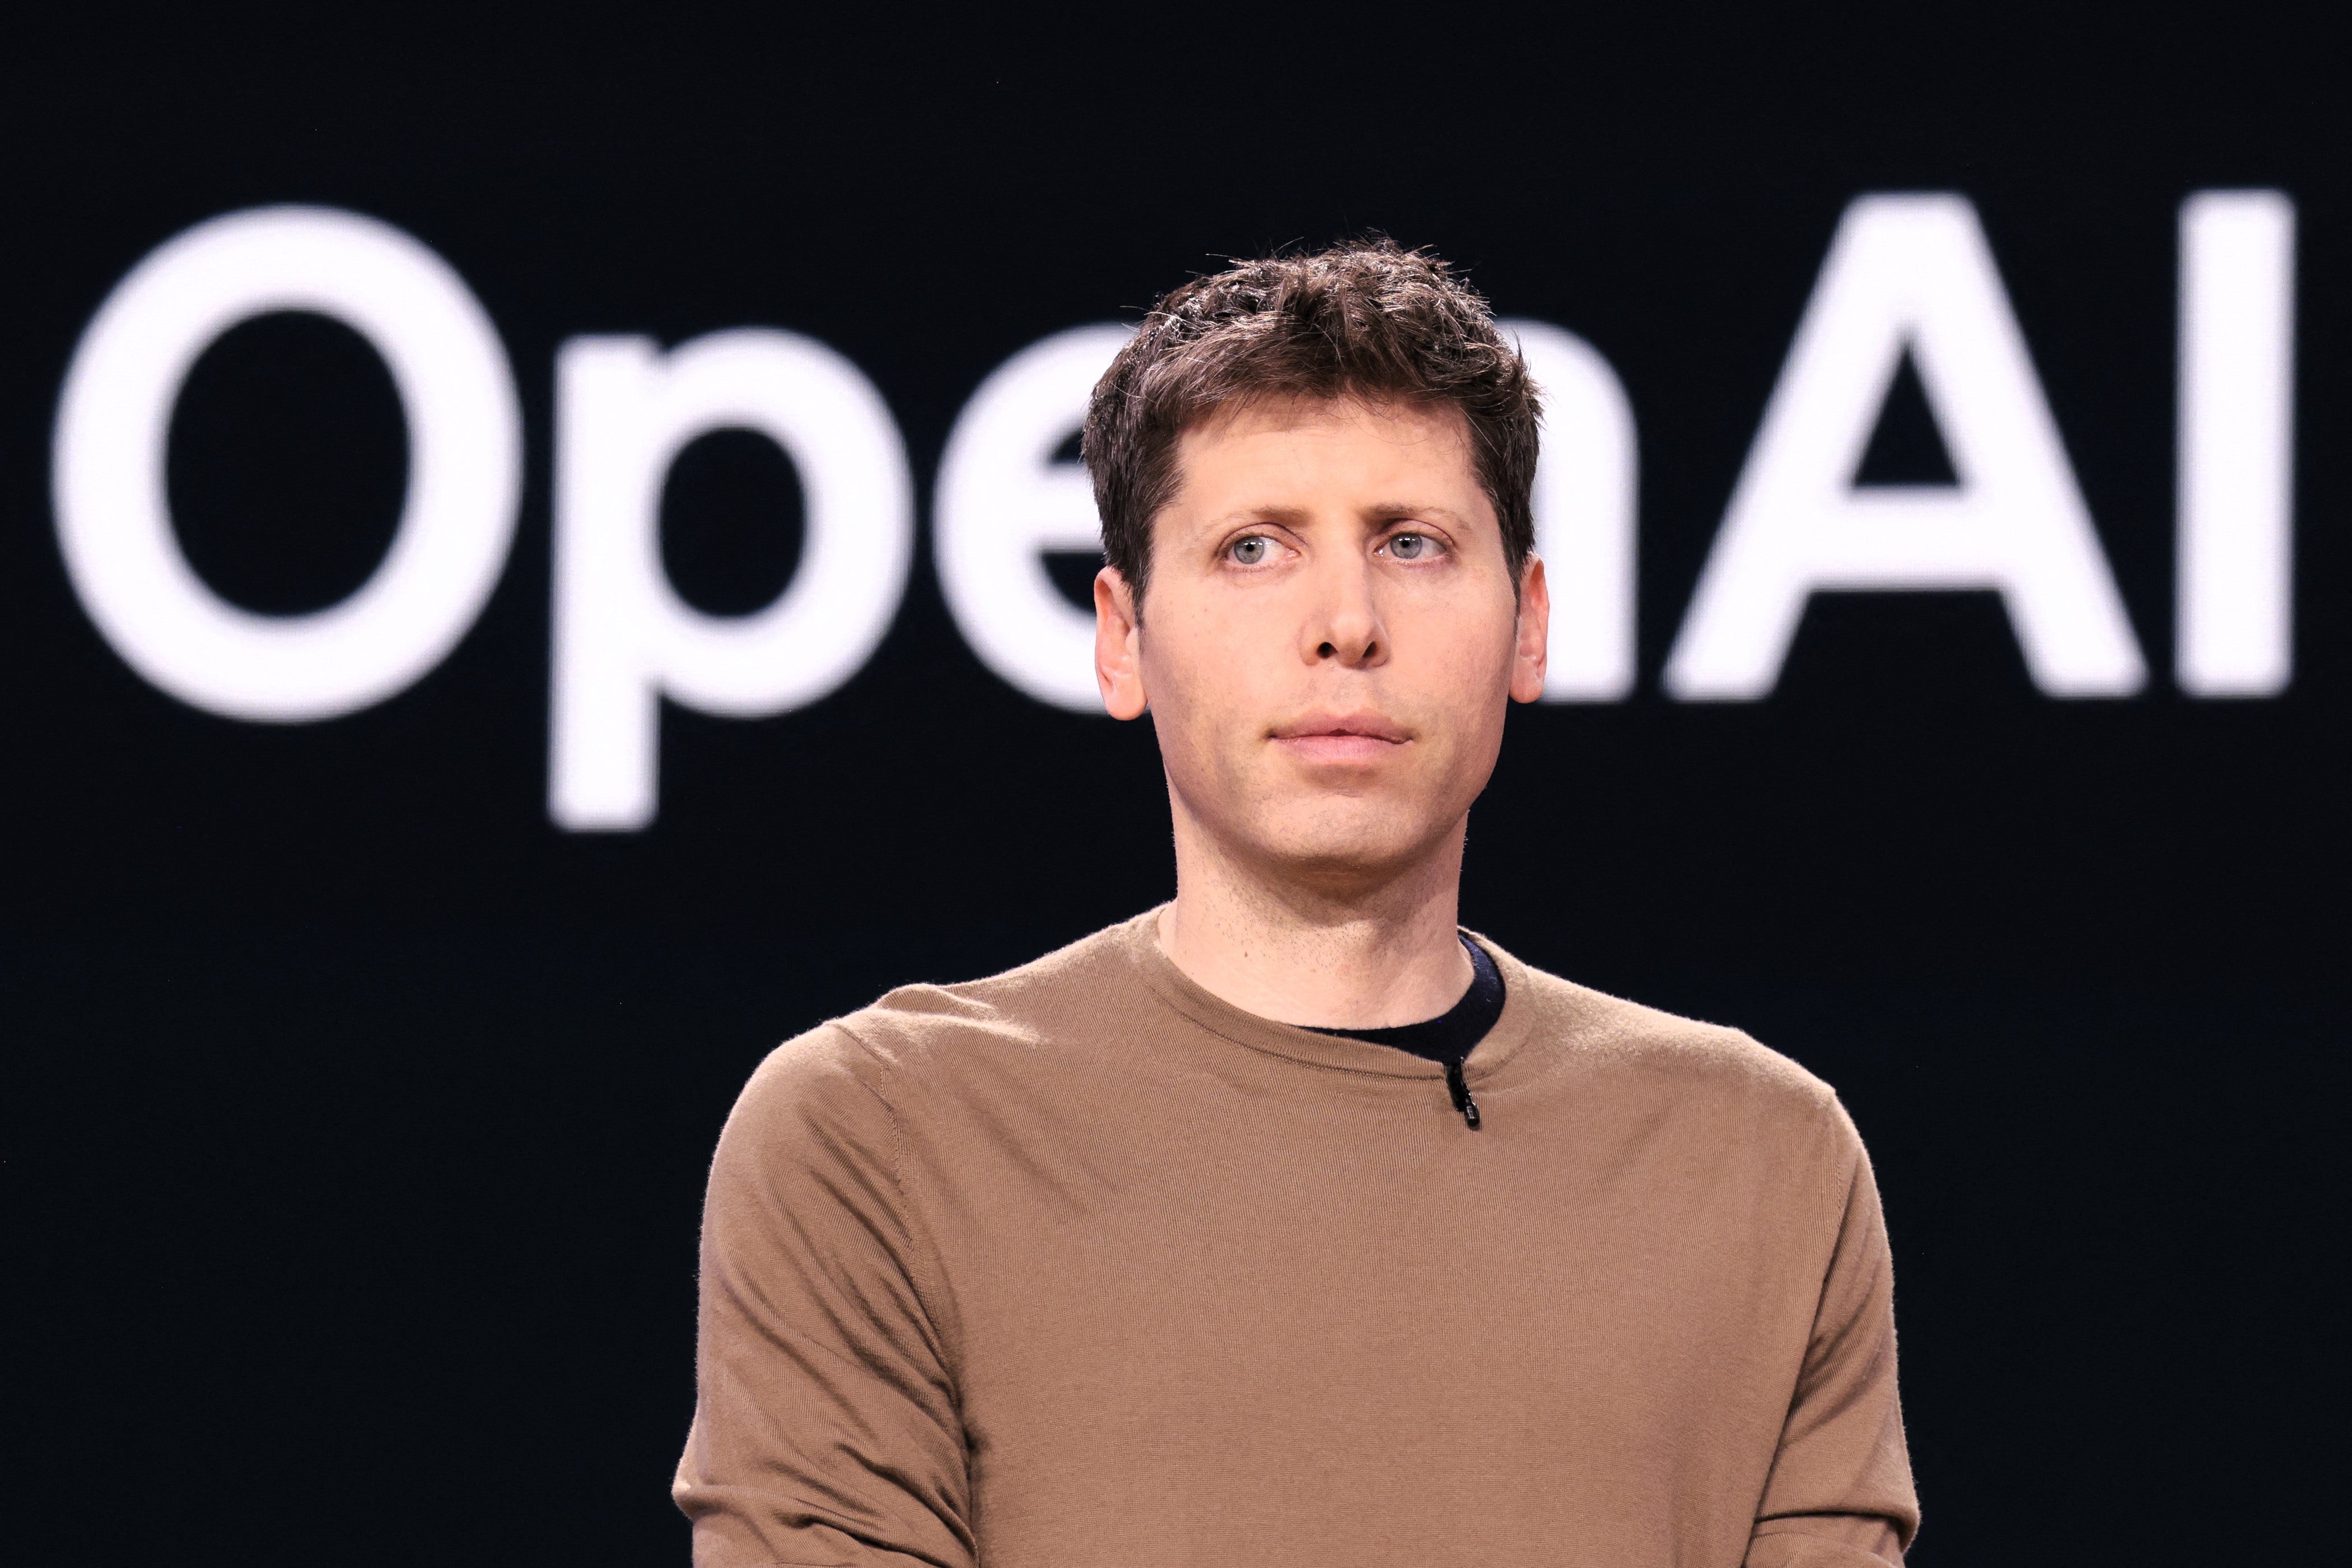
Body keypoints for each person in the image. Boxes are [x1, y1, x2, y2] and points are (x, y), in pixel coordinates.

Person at [673, 241, 1918, 1566]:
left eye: (1415, 544)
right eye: (1253, 547)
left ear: (1530, 624)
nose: (1346, 622)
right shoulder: (881, 1137)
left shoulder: (1762, 1161)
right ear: (1121, 636)